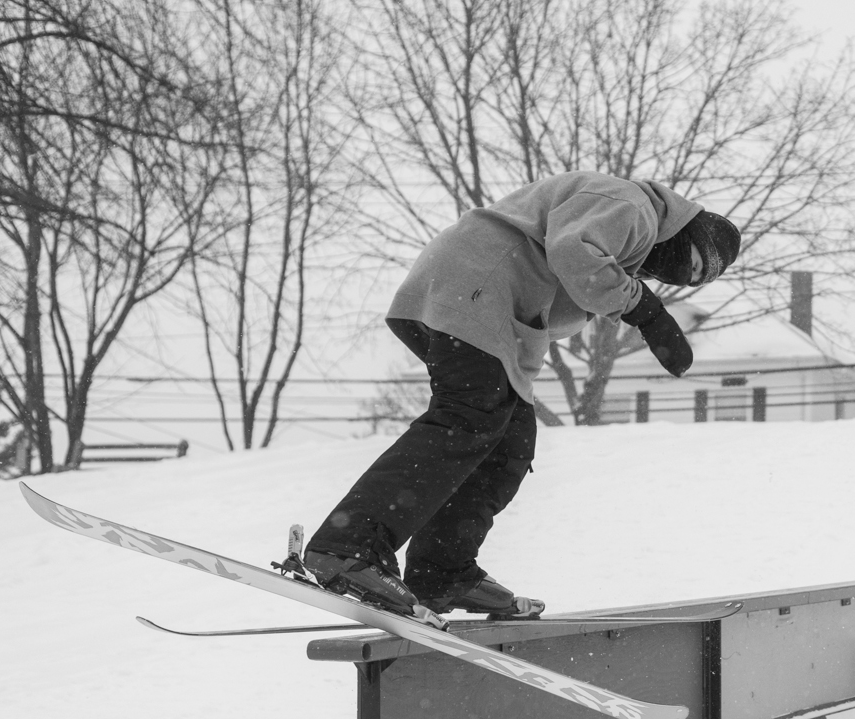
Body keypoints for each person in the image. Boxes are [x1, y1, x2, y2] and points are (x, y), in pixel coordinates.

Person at [302, 171, 740, 622]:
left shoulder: (628, 241)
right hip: (475, 287)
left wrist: (523, 386)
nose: (682, 277)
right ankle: (347, 546)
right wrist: (647, 311)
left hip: (482, 304)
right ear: (688, 230)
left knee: (509, 444)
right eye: (691, 264)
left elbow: (557, 300)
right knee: (468, 416)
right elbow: (574, 253)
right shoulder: (633, 207)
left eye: (693, 281)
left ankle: (441, 573)